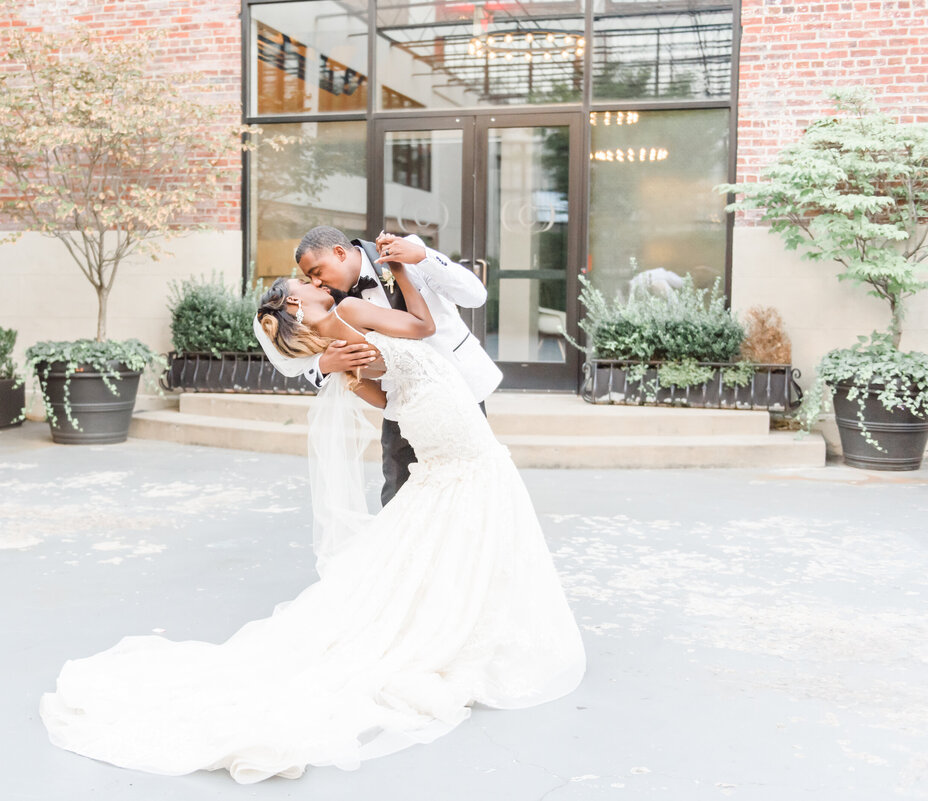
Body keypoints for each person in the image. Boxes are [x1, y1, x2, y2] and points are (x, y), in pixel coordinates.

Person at [40, 251, 587, 784]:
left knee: (444, 511)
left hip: (428, 411)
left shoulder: (332, 336)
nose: (308, 281)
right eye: (301, 284)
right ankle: (463, 615)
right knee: (472, 494)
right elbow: (420, 327)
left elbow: (378, 395)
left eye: (308, 273)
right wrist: (402, 268)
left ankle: (454, 607)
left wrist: (387, 380)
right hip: (442, 413)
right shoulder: (346, 315)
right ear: (295, 308)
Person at [253, 226, 502, 505]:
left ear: (338, 253)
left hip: (460, 385)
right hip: (402, 405)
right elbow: (303, 354)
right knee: (399, 493)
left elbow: (475, 297)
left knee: (468, 487)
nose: (316, 283)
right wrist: (325, 365)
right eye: (308, 279)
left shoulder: (406, 251)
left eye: (317, 272)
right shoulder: (331, 306)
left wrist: (421, 256)